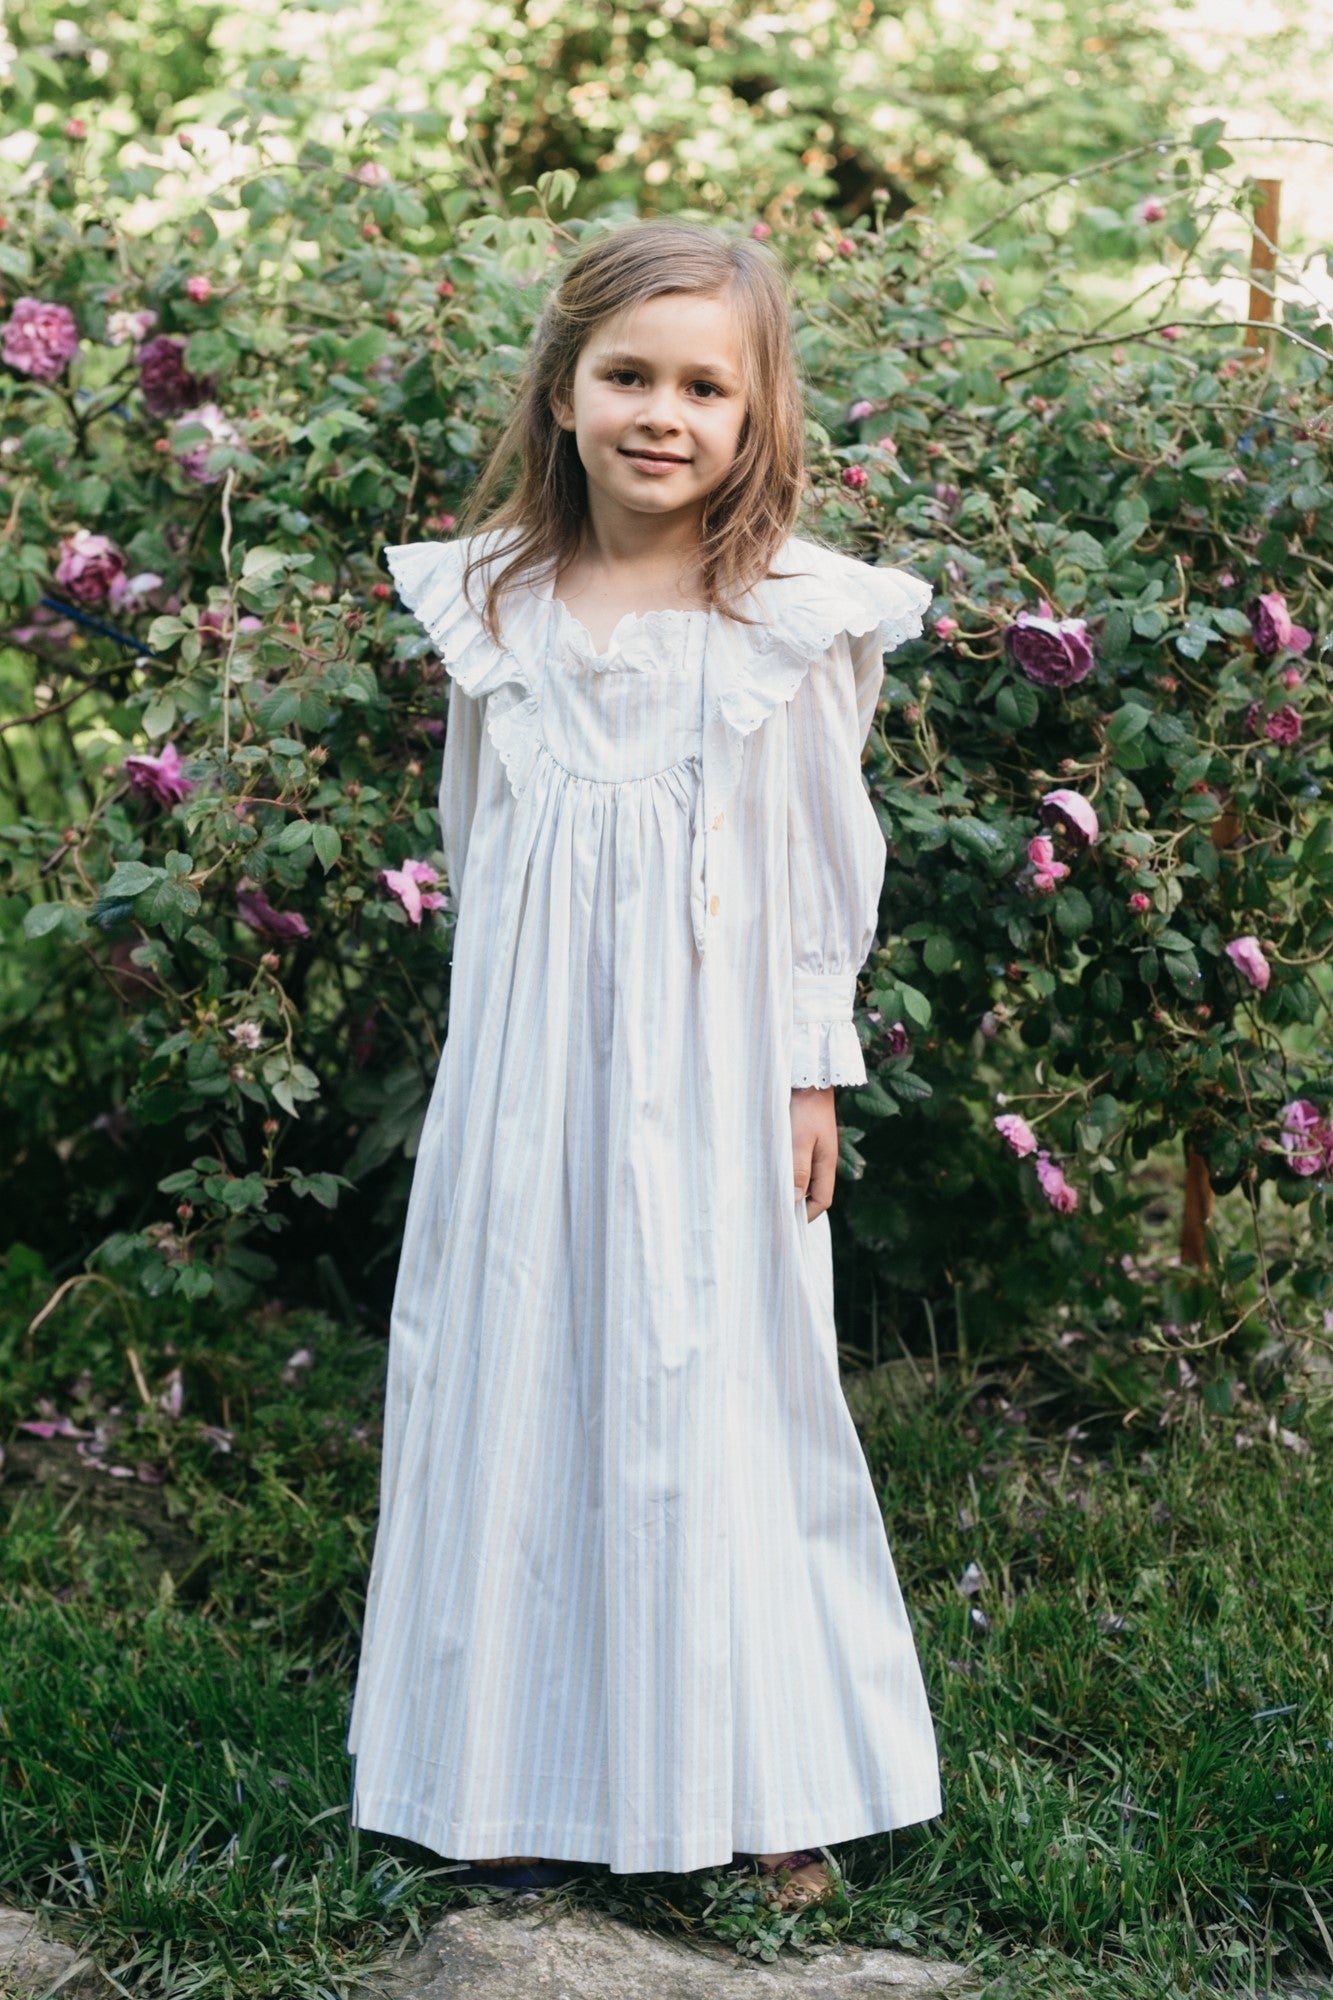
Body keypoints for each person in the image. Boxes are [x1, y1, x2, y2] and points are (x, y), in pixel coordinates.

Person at [346, 217, 943, 1914]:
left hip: (718, 1062)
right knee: (516, 1357)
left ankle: (759, 1772)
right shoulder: (497, 602)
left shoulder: (787, 619)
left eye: (704, 386)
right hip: (535, 1059)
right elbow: (481, 835)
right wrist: (496, 1054)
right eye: (627, 376)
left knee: (720, 1376)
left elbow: (829, 859)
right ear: (562, 392)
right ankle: (513, 1766)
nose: (661, 414)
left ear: (758, 418)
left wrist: (807, 1068)